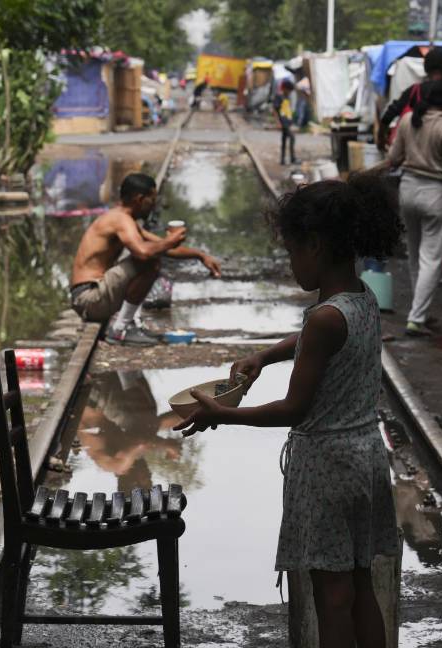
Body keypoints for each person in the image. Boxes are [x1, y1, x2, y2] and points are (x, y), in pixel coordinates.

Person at [174, 175, 403, 648]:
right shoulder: (360, 298)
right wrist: (265, 355)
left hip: (327, 468)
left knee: (331, 596)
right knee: (360, 586)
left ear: (315, 246)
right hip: (365, 458)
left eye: (292, 253)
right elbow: (318, 341)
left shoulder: (323, 318)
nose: (291, 264)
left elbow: (294, 410)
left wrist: (222, 413)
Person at [69, 173, 222, 344]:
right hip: (88, 298)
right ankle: (121, 329)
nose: (154, 205)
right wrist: (169, 241)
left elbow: (162, 247)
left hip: (91, 298)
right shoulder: (120, 220)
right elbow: (143, 252)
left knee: (153, 256)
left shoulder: (124, 219)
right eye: (152, 199)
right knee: (149, 261)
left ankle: (127, 323)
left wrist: (200, 255)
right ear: (140, 199)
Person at [387, 80, 442, 337]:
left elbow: (394, 158)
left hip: (408, 191)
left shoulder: (407, 121)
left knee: (415, 255)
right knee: (432, 260)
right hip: (435, 194)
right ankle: (416, 318)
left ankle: (420, 313)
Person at [377, 47, 442, 150]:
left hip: (420, 150)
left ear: (425, 68)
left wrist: (381, 138)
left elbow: (390, 114)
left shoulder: (415, 91)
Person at [274, 79, 299, 165]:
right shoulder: (279, 97)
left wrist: (291, 120)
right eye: (288, 90)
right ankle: (292, 158)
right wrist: (278, 122)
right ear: (284, 88)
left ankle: (282, 160)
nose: (289, 92)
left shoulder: (286, 97)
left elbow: (287, 110)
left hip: (287, 121)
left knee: (284, 140)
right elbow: (275, 110)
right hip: (283, 122)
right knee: (292, 138)